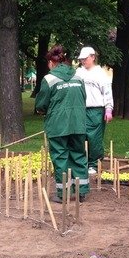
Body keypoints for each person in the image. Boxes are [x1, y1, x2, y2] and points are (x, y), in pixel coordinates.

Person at [34, 45, 90, 202]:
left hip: (58, 126)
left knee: (60, 157)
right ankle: (81, 191)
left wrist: (42, 110)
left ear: (52, 62)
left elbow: (41, 104)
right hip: (78, 124)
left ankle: (64, 194)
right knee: (78, 156)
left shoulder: (49, 79)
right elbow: (83, 98)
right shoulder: (79, 78)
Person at [74, 46, 114, 175]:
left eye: (85, 59)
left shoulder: (100, 73)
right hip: (80, 109)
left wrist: (108, 109)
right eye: (81, 59)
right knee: (80, 136)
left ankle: (94, 164)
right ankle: (82, 162)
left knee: (94, 138)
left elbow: (107, 92)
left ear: (93, 57)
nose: (83, 61)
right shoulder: (78, 73)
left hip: (96, 110)